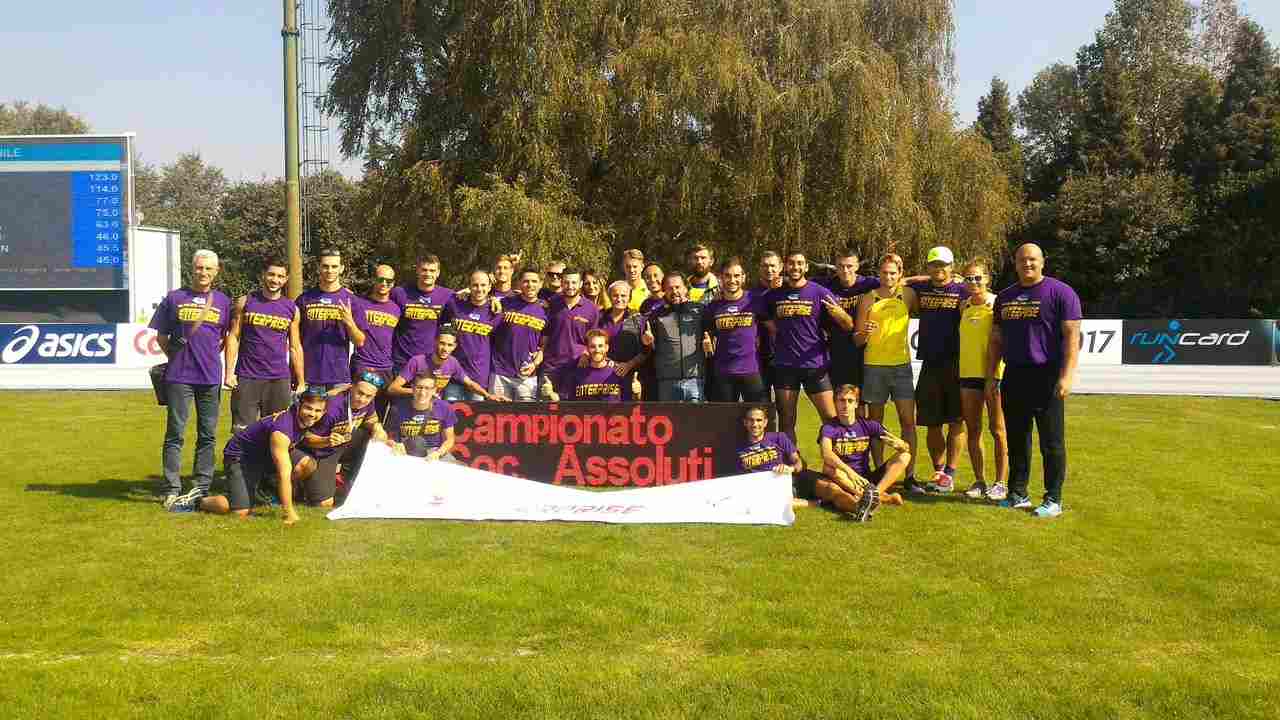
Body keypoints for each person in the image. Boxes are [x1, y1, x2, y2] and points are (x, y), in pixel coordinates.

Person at [987, 243, 1082, 517]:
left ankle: (1053, 499)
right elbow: (996, 339)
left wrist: (1066, 376)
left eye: (1032, 259)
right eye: (1022, 260)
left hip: (1047, 375)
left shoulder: (1061, 293)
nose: (1027, 264)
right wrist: (992, 375)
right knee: (1017, 439)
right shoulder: (1005, 297)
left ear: (1042, 261)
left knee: (1051, 442)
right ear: (1015, 263)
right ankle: (1018, 493)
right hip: (1014, 374)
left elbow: (1072, 337)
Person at [149, 249, 233, 509]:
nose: (203, 273)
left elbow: (224, 338)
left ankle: (201, 486)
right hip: (179, 377)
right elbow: (161, 337)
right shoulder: (174, 298)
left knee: (207, 434)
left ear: (216, 272)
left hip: (210, 377)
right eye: (199, 267)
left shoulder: (223, 301)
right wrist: (177, 358)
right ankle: (172, 487)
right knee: (175, 432)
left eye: (208, 268)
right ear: (192, 268)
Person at [178, 388, 329, 523]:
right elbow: (284, 474)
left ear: (323, 412)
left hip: (266, 454)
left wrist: (328, 440)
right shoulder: (282, 430)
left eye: (318, 411)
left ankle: (263, 491)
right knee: (239, 511)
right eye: (308, 408)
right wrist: (289, 513)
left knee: (308, 464)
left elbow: (336, 394)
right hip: (241, 457)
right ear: (299, 405)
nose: (312, 414)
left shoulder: (300, 417)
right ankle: (197, 501)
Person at [763, 252, 855, 442]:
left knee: (831, 419)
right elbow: (761, 315)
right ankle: (792, 459)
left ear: (806, 267)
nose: (795, 267)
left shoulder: (819, 292)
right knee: (786, 421)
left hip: (815, 365)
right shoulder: (773, 294)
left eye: (800, 263)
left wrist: (839, 314)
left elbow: (848, 325)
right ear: (785, 267)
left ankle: (833, 458)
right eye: (791, 263)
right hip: (785, 366)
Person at [855, 254, 923, 493]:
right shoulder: (868, 298)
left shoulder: (909, 295)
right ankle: (879, 472)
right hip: (874, 367)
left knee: (908, 422)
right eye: (884, 272)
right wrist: (865, 332)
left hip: (902, 367)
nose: (888, 277)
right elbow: (857, 339)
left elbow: (926, 288)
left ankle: (910, 476)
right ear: (879, 274)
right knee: (876, 424)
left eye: (893, 273)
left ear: (900, 274)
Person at [907, 246, 968, 493]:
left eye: (943, 265)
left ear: (952, 266)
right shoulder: (921, 288)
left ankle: (950, 472)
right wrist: (921, 277)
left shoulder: (963, 290)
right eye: (934, 264)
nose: (938, 269)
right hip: (930, 363)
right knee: (931, 423)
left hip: (957, 363)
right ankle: (939, 471)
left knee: (956, 421)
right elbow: (899, 281)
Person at [223, 258, 304, 434]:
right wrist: (228, 373)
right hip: (247, 377)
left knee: (277, 434)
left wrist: (301, 381)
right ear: (263, 275)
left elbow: (295, 347)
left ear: (286, 279)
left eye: (280, 276)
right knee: (242, 434)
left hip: (279, 379)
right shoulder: (245, 302)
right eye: (271, 274)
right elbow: (233, 336)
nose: (275, 280)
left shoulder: (292, 308)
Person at [734, 406, 855, 515]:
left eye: (759, 420)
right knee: (771, 501)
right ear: (745, 422)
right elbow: (744, 483)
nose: (755, 424)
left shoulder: (778, 437)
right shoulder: (739, 449)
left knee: (831, 488)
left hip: (794, 478)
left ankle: (858, 507)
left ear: (765, 422)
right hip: (772, 488)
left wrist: (790, 468)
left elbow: (800, 463)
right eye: (751, 420)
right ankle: (816, 503)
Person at [957, 258, 1009, 501]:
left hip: (994, 375)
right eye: (969, 278)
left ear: (987, 278)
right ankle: (980, 480)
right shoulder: (963, 306)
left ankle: (1001, 483)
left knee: (998, 430)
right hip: (968, 375)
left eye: (978, 277)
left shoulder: (997, 303)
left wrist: (993, 372)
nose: (974, 282)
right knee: (973, 429)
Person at [818, 384, 910, 512]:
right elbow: (827, 454)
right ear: (835, 403)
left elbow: (905, 448)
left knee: (905, 456)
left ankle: (874, 495)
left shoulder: (868, 425)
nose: (845, 405)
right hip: (844, 479)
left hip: (866, 479)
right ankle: (876, 497)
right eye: (841, 400)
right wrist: (850, 473)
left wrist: (902, 445)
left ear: (856, 404)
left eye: (850, 401)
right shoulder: (829, 427)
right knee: (829, 468)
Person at [303, 371, 389, 505]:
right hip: (321, 451)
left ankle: (348, 479)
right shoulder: (333, 408)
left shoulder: (368, 402)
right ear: (351, 387)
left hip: (343, 444)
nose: (362, 399)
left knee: (370, 437)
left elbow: (371, 420)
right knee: (324, 502)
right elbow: (306, 438)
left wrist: (377, 427)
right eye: (360, 393)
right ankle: (304, 484)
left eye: (368, 396)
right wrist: (326, 440)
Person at [297, 248, 366, 394]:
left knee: (337, 410)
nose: (330, 270)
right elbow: (294, 341)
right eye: (325, 266)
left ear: (341, 269)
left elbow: (359, 341)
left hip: (338, 377)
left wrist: (349, 322)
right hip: (309, 376)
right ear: (319, 268)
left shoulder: (352, 300)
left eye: (334, 266)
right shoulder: (304, 299)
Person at [818, 249, 879, 404]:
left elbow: (898, 281)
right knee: (839, 399)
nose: (845, 270)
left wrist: (932, 277)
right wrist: (779, 281)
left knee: (861, 401)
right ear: (835, 266)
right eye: (841, 266)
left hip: (862, 349)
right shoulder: (825, 284)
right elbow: (800, 282)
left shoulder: (869, 283)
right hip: (835, 349)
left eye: (849, 266)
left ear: (857, 266)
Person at [703, 258, 768, 402]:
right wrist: (707, 344)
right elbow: (707, 335)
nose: (732, 280)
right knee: (725, 416)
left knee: (758, 414)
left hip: (751, 370)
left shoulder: (755, 300)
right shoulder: (713, 307)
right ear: (720, 278)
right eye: (727, 276)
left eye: (736, 276)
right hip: (723, 372)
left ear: (743, 277)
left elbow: (772, 327)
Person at [386, 326, 501, 401]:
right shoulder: (417, 361)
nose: (445, 349)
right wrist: (422, 392)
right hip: (414, 406)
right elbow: (392, 389)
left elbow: (470, 384)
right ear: (435, 342)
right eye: (442, 343)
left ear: (454, 347)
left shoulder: (453, 363)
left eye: (449, 345)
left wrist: (488, 395)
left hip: (436, 408)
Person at [441, 269, 506, 401]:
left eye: (483, 285)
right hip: (454, 375)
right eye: (475, 285)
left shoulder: (495, 312)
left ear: (489, 287)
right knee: (451, 413)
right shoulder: (455, 304)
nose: (479, 289)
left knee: (475, 414)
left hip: (479, 377)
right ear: (469, 286)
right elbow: (440, 326)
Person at [643, 272, 707, 402]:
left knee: (696, 415)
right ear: (664, 291)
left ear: (685, 288)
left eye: (678, 287)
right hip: (666, 382)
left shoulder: (701, 311)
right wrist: (648, 343)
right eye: (669, 288)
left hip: (694, 380)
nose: (674, 291)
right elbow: (650, 349)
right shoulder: (655, 315)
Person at [390, 254, 455, 375]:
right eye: (424, 269)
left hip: (428, 361)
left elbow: (472, 300)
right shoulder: (399, 293)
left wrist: (490, 299)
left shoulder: (448, 296)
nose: (428, 274)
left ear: (438, 273)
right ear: (417, 270)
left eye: (432, 270)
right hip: (401, 361)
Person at [542, 267, 600, 399]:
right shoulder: (551, 304)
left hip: (577, 367)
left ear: (580, 284)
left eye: (574, 282)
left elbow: (593, 339)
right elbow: (545, 334)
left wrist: (586, 354)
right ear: (561, 283)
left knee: (572, 408)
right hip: (551, 367)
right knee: (545, 407)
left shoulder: (591, 309)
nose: (570, 286)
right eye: (566, 282)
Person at [490, 268, 547, 401]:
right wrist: (467, 292)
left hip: (527, 373)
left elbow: (545, 344)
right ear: (519, 283)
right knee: (497, 413)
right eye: (526, 281)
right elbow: (480, 298)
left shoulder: (546, 309)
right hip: (500, 371)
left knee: (525, 413)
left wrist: (535, 363)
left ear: (541, 284)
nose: (530, 285)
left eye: (534, 281)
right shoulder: (505, 302)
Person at [350, 264, 402, 407]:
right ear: (374, 280)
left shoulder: (397, 309)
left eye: (388, 281)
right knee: (359, 407)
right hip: (363, 365)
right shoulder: (359, 303)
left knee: (380, 411)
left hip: (386, 368)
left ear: (393, 283)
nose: (384, 283)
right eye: (380, 279)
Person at [386, 372, 458, 460]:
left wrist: (438, 453)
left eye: (427, 388)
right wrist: (394, 444)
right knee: (417, 443)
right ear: (412, 388)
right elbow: (389, 437)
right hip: (407, 450)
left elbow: (449, 439)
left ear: (434, 390)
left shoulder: (444, 407)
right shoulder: (398, 408)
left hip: (434, 451)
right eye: (419, 387)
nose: (422, 393)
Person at [598, 281, 648, 399]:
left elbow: (646, 351)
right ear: (609, 297)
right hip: (604, 376)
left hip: (632, 377)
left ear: (629, 298)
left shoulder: (638, 320)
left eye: (623, 295)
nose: (619, 299)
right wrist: (611, 364)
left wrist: (628, 365)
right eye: (615, 295)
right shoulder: (599, 318)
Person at [551, 329, 624, 402]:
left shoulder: (618, 372)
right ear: (587, 349)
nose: (597, 350)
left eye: (600, 346)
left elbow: (628, 402)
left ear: (606, 348)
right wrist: (551, 393)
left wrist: (635, 393)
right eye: (592, 346)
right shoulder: (576, 374)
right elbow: (563, 400)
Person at [755, 251, 784, 400]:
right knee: (761, 404)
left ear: (781, 267)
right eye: (765, 266)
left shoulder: (788, 289)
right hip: (759, 358)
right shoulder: (751, 293)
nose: (769, 269)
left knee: (785, 406)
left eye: (773, 265)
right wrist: (770, 290)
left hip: (785, 356)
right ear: (759, 268)